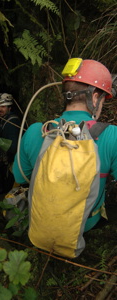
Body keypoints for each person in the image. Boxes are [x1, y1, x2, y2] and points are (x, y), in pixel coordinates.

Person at [12, 58, 117, 232]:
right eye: (103, 99)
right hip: (84, 225)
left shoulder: (36, 131)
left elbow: (21, 178)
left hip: (41, 223)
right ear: (95, 97)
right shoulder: (112, 136)